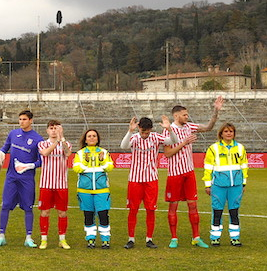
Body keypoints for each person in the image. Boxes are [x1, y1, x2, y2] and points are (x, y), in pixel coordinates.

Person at [163, 96, 222, 248]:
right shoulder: (168, 130)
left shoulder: (189, 127)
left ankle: (196, 237)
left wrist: (216, 110)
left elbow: (208, 127)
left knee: (193, 205)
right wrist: (184, 143)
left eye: (187, 115)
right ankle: (174, 238)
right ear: (176, 116)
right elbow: (167, 154)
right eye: (184, 115)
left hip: (189, 173)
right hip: (175, 174)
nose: (187, 117)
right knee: (173, 206)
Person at [0, 110, 42, 248]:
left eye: (24, 119)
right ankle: (1, 236)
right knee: (6, 205)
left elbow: (42, 161)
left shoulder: (38, 139)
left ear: (31, 120)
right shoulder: (13, 134)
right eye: (20, 119)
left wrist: (29, 166)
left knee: (28, 207)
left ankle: (29, 237)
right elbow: (4, 148)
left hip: (27, 179)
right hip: (11, 177)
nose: (21, 122)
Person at [120, 116, 170, 249]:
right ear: (139, 128)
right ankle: (131, 239)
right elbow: (123, 146)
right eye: (143, 132)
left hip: (151, 179)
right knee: (133, 209)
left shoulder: (155, 137)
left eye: (147, 132)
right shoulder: (134, 137)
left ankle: (149, 238)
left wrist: (169, 128)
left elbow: (173, 140)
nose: (145, 134)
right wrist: (130, 131)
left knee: (150, 209)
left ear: (151, 130)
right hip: (135, 179)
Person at [202, 122, 248, 246]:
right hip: (218, 186)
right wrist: (207, 185)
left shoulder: (240, 148)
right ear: (221, 134)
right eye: (226, 131)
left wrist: (243, 183)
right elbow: (208, 167)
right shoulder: (214, 148)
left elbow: (244, 166)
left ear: (234, 134)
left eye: (231, 131)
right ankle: (215, 237)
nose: (229, 134)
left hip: (236, 185)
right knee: (217, 211)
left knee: (234, 211)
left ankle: (235, 237)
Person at [73, 128, 114, 248]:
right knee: (88, 215)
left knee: (103, 214)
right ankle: (90, 239)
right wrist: (86, 161)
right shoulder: (80, 153)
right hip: (84, 190)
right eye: (89, 136)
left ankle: (105, 239)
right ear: (85, 139)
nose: (92, 138)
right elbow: (77, 168)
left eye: (94, 136)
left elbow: (110, 167)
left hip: (102, 190)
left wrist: (101, 161)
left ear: (97, 139)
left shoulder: (104, 152)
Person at [37, 120, 72, 249]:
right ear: (47, 130)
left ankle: (62, 239)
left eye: (56, 128)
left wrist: (61, 139)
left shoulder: (66, 143)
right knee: (45, 212)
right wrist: (56, 141)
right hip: (46, 183)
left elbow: (68, 153)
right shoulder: (42, 143)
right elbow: (45, 153)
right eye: (51, 128)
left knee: (62, 212)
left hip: (61, 184)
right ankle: (44, 239)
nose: (53, 130)